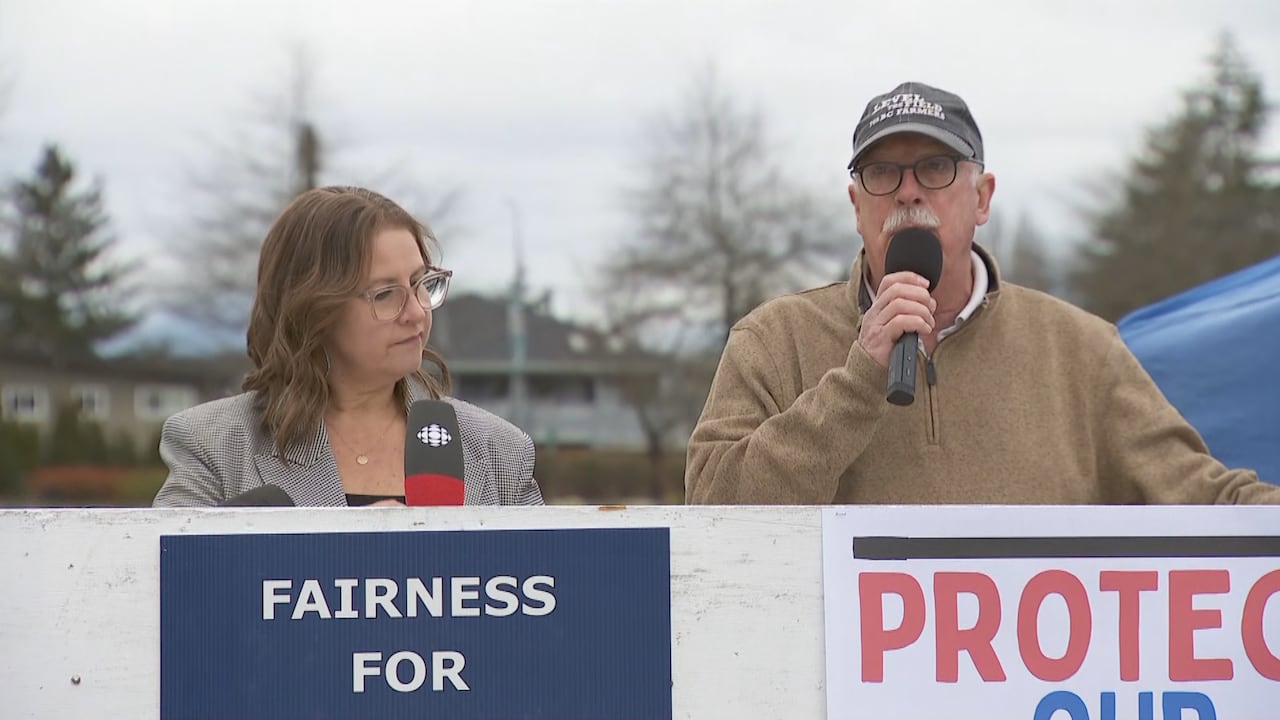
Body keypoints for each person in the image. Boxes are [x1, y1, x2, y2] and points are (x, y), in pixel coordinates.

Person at [685, 81, 1280, 505]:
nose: (908, 192)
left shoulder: (1082, 351)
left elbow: (1202, 496)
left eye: (937, 168)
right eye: (883, 173)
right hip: (832, 684)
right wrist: (858, 380)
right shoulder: (772, 340)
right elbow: (711, 513)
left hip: (1031, 686)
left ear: (983, 198)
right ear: (857, 206)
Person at [153, 186, 544, 507]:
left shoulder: (498, 451)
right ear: (314, 309)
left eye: (422, 283)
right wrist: (351, 552)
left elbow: (545, 592)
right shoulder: (212, 445)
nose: (416, 312)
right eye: (386, 294)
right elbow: (172, 590)